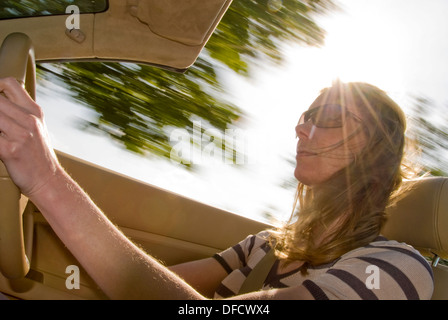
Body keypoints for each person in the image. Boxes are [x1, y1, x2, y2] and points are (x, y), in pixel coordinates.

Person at [0, 77, 434, 300]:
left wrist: (47, 181)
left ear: (376, 149)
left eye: (331, 115)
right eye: (307, 114)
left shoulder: (395, 269)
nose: (302, 128)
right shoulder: (264, 245)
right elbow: (155, 286)